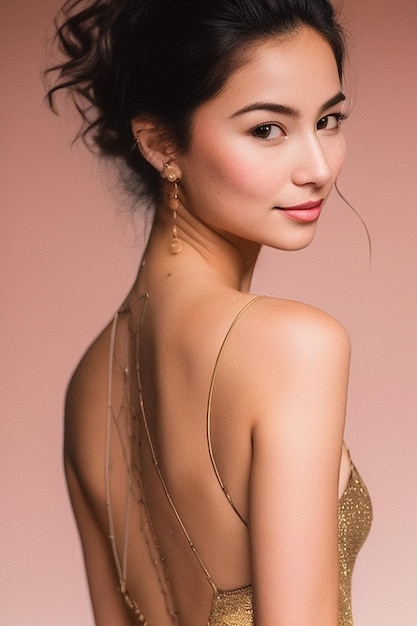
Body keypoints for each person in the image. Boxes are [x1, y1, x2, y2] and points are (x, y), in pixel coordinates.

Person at [47, 0, 373, 624]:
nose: (318, 168)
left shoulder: (88, 384)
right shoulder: (294, 346)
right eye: (267, 129)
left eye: (329, 119)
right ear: (161, 143)